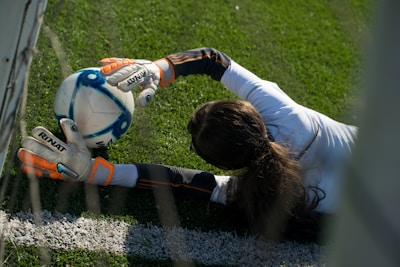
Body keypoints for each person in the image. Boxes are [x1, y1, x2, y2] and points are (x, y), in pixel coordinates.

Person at [18, 47, 358, 242]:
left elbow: (179, 182)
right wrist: (159, 69)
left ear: (227, 166)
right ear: (251, 114)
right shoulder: (290, 118)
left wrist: (95, 171)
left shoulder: (257, 195)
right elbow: (214, 59)